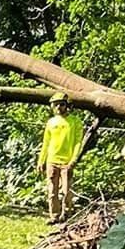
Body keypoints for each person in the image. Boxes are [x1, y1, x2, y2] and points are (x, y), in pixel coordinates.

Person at [37, 92, 85, 222]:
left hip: (67, 162)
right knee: (52, 191)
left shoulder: (75, 121)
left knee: (66, 191)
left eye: (62, 104)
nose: (59, 107)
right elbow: (46, 142)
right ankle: (54, 216)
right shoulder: (51, 122)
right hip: (52, 161)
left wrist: (74, 159)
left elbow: (78, 142)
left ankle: (67, 215)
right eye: (56, 104)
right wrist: (41, 160)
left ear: (67, 106)